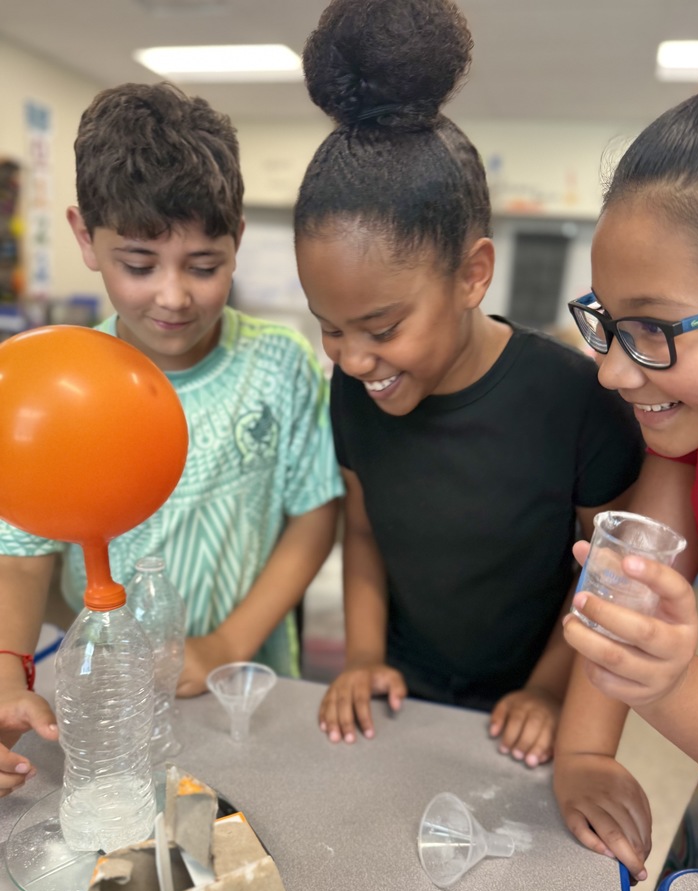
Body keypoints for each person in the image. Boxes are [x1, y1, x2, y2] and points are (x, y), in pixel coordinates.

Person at [293, 0, 644, 756]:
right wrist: (361, 656)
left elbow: (608, 573)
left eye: (383, 329)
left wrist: (551, 688)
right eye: (330, 327)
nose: (353, 360)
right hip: (404, 698)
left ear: (473, 274)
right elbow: (362, 527)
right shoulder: (353, 389)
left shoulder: (575, 399)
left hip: (534, 702)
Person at [0, 82, 343, 796]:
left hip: (243, 683)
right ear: (84, 237)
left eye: (204, 264)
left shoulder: (277, 364)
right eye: (138, 264)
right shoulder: (57, 383)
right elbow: (23, 555)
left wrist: (227, 644)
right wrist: (8, 670)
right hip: (101, 688)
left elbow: (314, 514)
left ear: (238, 239)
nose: (173, 295)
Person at [553, 2, 698, 891]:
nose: (611, 371)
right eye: (607, 324)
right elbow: (630, 578)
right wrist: (587, 753)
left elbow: (660, 667)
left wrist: (672, 684)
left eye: (654, 330)